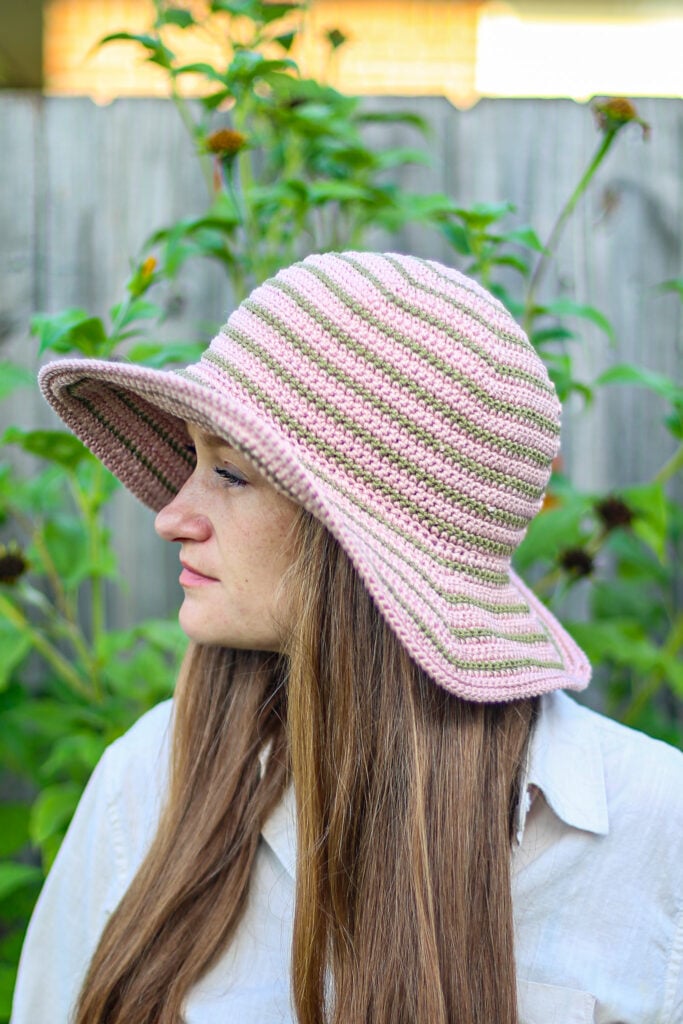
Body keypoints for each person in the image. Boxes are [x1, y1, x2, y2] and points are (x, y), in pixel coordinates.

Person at [11, 251, 683, 1024]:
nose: (171, 516)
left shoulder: (650, 829)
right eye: (193, 459)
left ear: (368, 541)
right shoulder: (148, 784)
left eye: (230, 473)